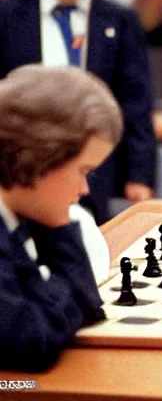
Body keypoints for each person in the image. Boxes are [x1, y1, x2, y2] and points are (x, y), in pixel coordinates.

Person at [0, 0, 156, 224]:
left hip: (96, 177)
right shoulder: (7, 17)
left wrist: (139, 177)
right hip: (24, 176)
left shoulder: (119, 20)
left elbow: (136, 103)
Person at [0, 64, 123, 372]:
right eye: (82, 171)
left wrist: (56, 227)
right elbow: (31, 344)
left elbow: (88, 306)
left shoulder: (13, 219)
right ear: (42, 156)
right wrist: (57, 227)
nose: (84, 189)